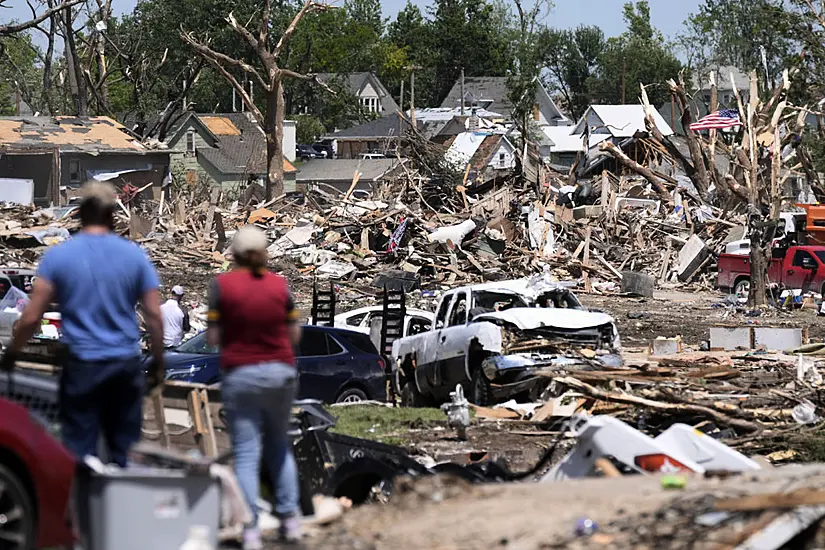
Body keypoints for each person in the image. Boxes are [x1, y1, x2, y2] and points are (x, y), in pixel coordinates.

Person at [0, 181, 165, 467]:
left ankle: (83, 505)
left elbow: (30, 316)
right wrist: (159, 360)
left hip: (82, 365)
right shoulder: (134, 256)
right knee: (122, 450)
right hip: (125, 363)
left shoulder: (59, 256)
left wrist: (13, 353)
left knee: (79, 452)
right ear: (113, 214)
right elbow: (153, 314)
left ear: (81, 212)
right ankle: (117, 502)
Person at [207, 225, 302, 549]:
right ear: (264, 253)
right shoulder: (280, 286)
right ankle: (291, 522)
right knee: (279, 446)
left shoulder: (222, 286)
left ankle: (250, 532)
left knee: (246, 454)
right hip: (281, 372)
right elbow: (294, 334)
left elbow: (213, 337)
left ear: (234, 254)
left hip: (241, 373)